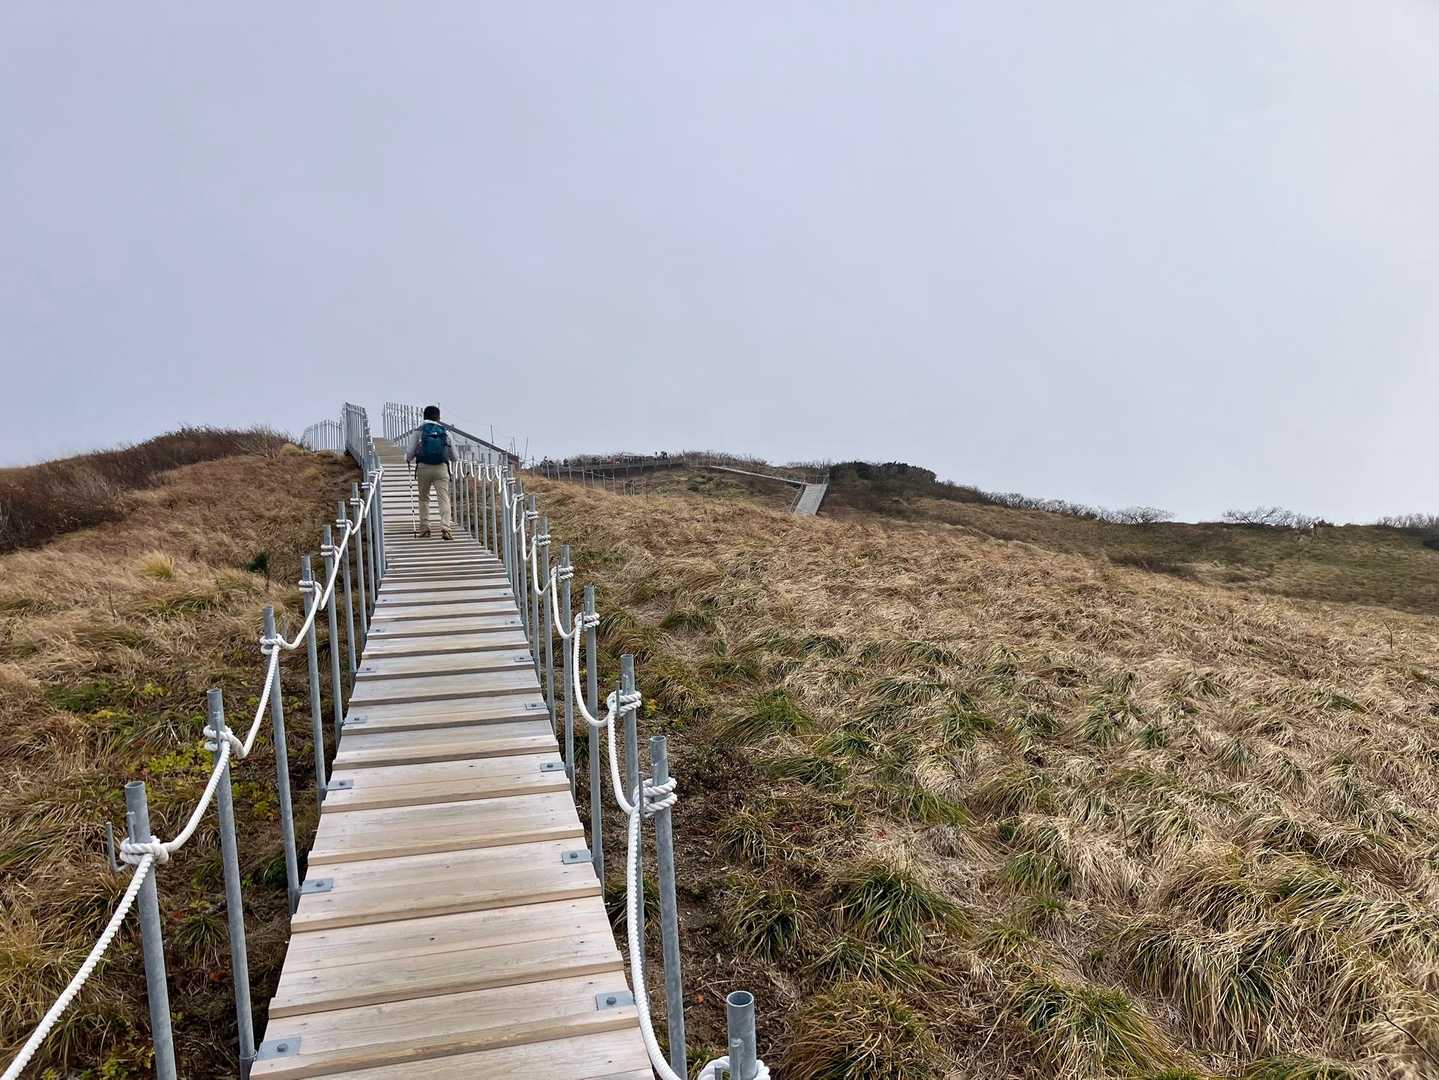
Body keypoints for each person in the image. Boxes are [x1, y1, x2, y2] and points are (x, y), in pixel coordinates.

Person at [406, 404, 456, 539]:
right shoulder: (445, 432)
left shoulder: (418, 431)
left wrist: (408, 459)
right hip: (441, 468)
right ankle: (445, 527)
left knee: (423, 498)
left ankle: (425, 528)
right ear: (438, 417)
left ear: (424, 417)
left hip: (423, 467)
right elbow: (455, 457)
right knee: (443, 497)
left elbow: (409, 453)